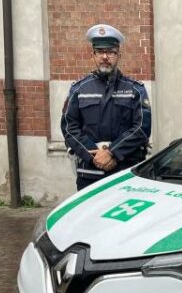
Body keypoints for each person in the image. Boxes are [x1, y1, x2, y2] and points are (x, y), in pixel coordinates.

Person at [61, 24, 151, 190]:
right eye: (100, 51)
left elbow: (142, 128)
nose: (105, 57)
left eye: (110, 52)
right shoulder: (79, 89)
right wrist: (94, 155)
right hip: (89, 173)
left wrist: (112, 152)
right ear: (93, 55)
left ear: (119, 55)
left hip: (125, 172)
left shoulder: (135, 90)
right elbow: (69, 127)